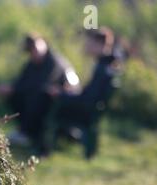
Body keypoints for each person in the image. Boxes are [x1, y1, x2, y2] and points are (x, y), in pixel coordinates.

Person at [46, 27, 120, 159]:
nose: (86, 46)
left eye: (90, 43)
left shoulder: (102, 68)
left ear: (99, 44)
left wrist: (63, 94)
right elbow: (91, 94)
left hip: (87, 112)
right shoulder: (108, 65)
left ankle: (46, 149)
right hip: (94, 110)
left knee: (54, 106)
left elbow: (87, 100)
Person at [0, 33, 79, 155]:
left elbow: (42, 85)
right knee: (16, 96)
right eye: (30, 50)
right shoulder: (33, 63)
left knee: (37, 97)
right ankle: (27, 132)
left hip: (66, 102)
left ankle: (30, 135)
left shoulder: (54, 62)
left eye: (35, 48)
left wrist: (16, 89)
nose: (33, 52)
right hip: (50, 100)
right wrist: (11, 88)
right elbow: (23, 80)